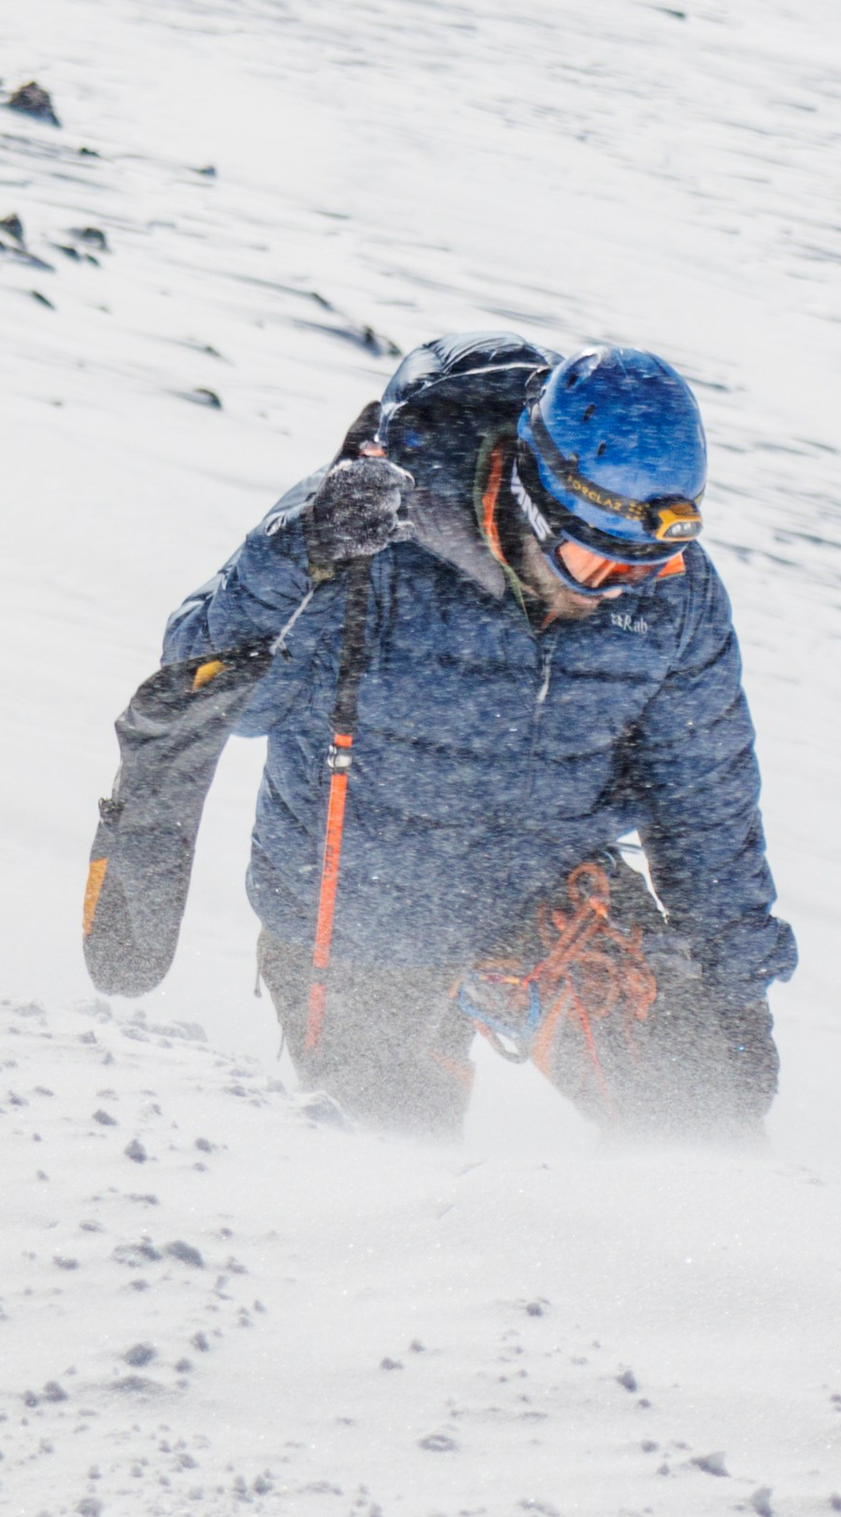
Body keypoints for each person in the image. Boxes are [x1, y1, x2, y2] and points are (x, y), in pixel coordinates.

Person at [135, 334, 794, 1138]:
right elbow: (212, 694)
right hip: (364, 910)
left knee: (700, 1109)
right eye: (602, 563)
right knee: (388, 1159)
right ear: (532, 504)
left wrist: (736, 987)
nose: (626, 586)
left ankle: (708, 1248)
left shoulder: (670, 593)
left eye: (652, 564)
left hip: (546, 896)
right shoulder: (363, 534)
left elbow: (705, 797)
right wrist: (297, 554)